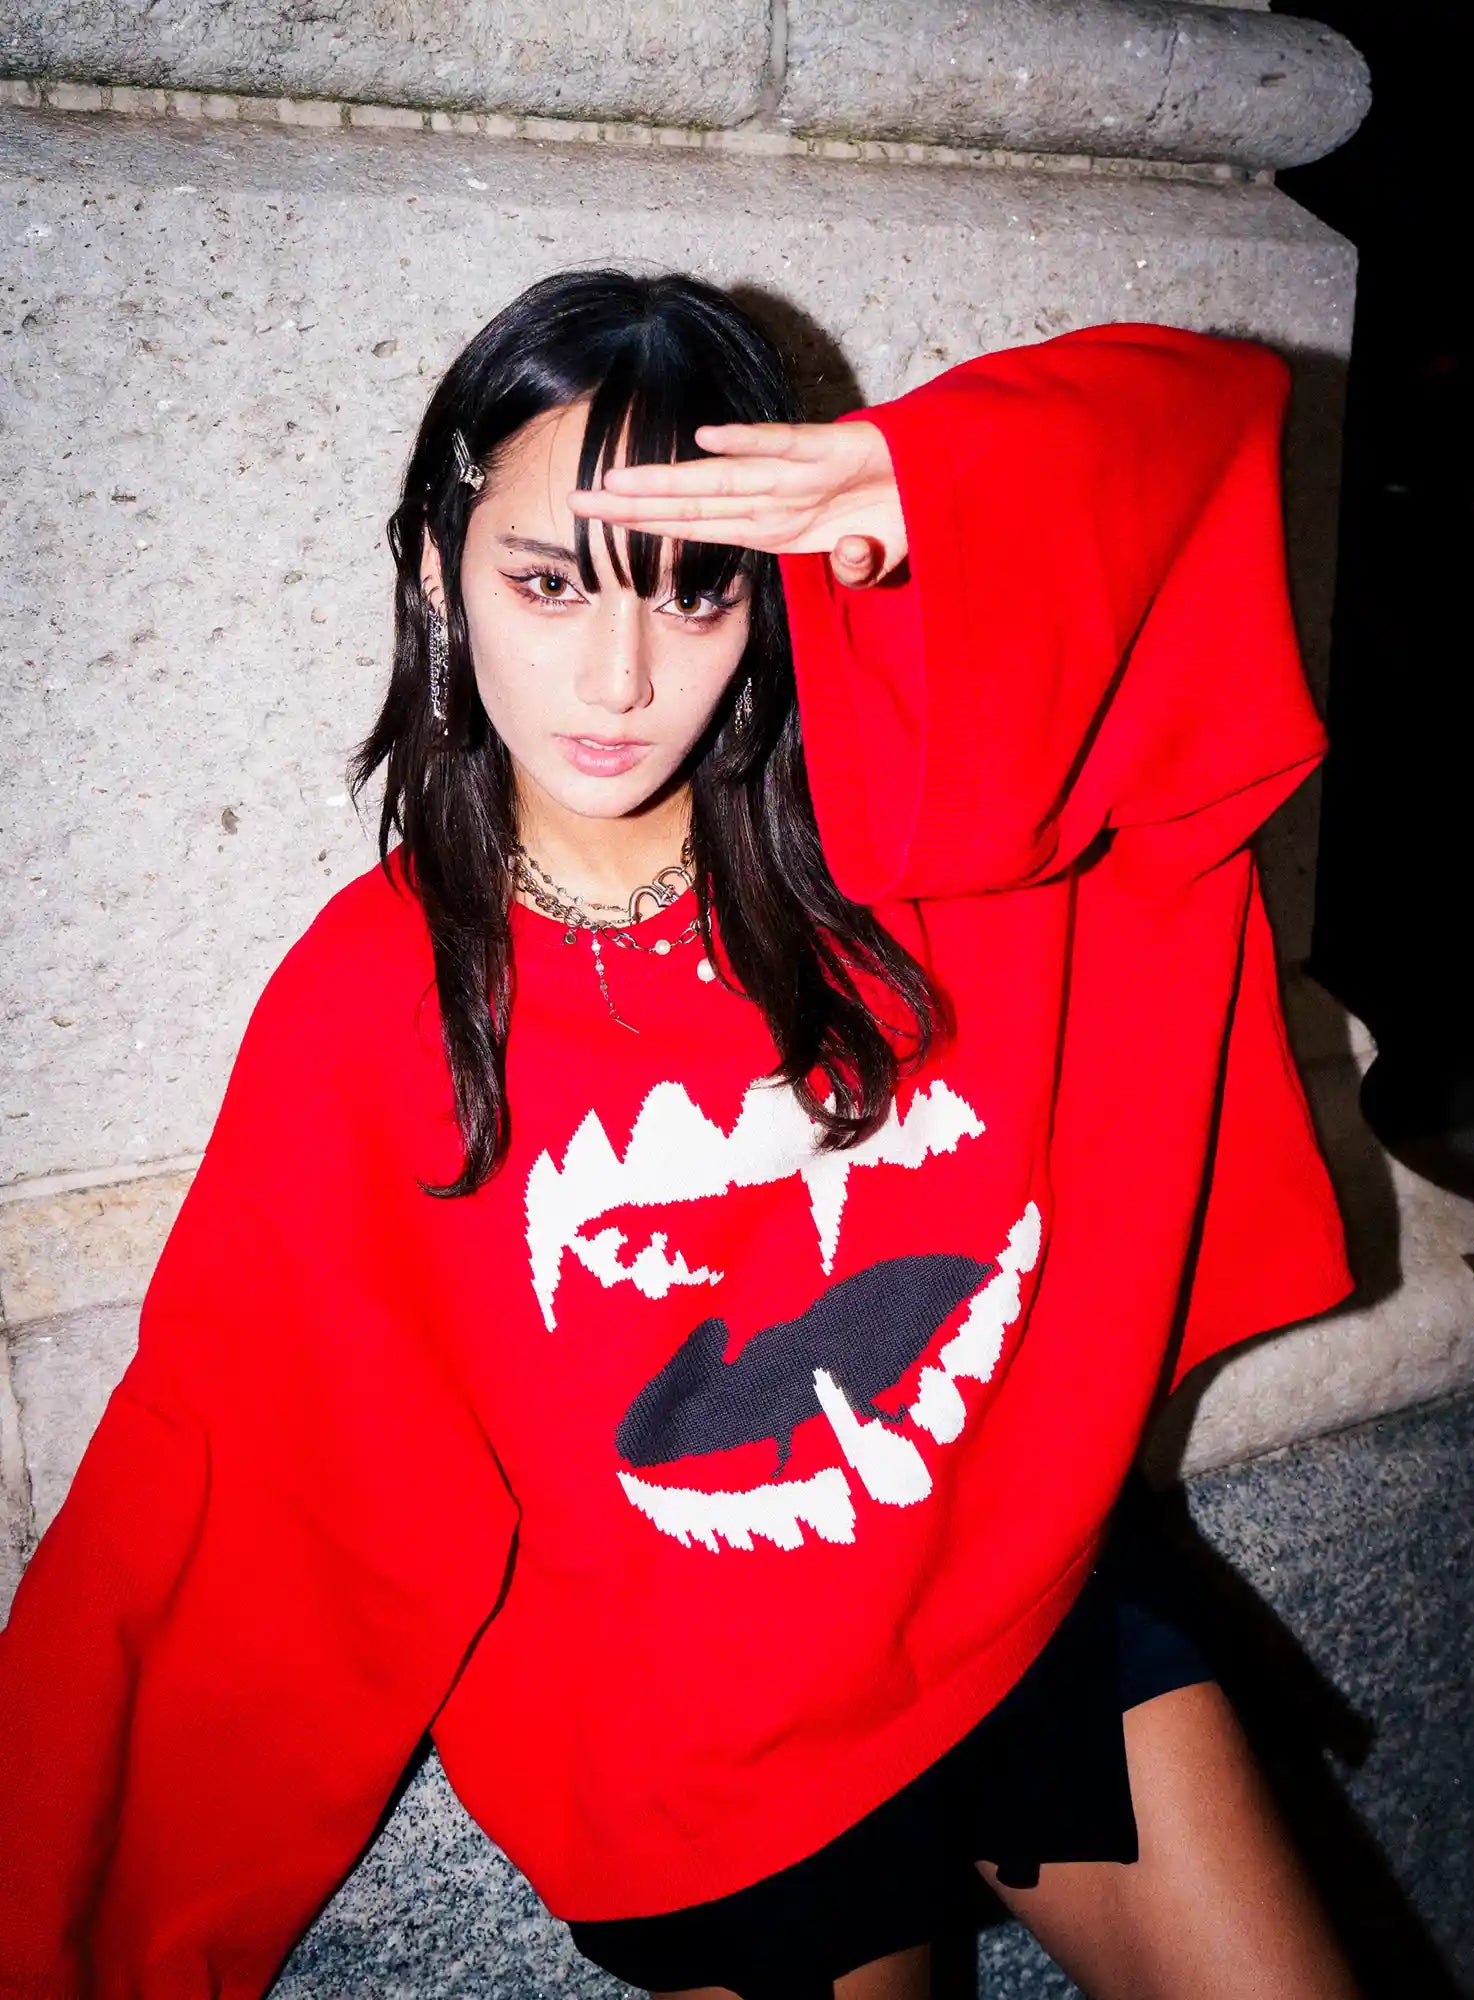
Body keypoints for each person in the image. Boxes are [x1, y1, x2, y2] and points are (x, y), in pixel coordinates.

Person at [0, 268, 1363, 2000]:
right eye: (550, 582)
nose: (621, 675)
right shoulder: (378, 1001)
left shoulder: (910, 830)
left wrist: (935, 485)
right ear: (436, 571)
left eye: (692, 589)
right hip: (704, 1741)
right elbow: (236, 1488)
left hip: (1007, 1592)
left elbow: (1207, 436)